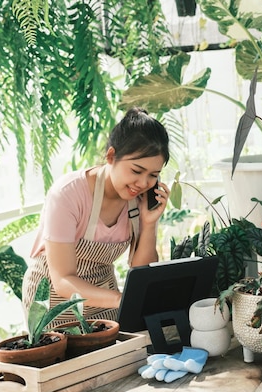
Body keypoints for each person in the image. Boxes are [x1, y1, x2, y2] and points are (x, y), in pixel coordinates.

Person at [22, 107, 170, 325]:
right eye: (136, 171)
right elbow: (63, 280)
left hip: (106, 300)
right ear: (111, 156)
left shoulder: (140, 201)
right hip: (53, 303)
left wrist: (149, 224)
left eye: (153, 175)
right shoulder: (68, 193)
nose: (143, 183)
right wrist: (122, 300)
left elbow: (140, 272)